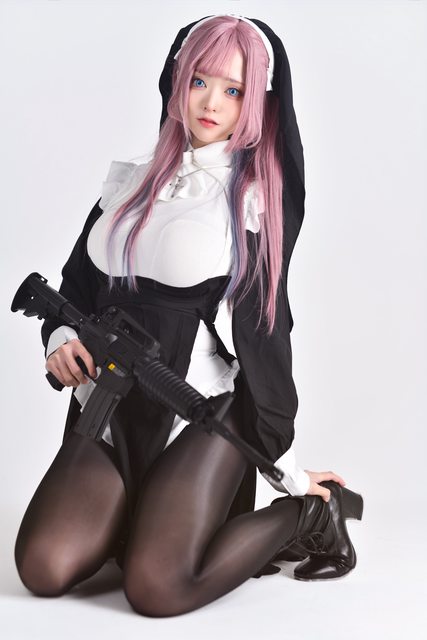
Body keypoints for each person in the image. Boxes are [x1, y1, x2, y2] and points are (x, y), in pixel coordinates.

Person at [15, 15, 363, 617]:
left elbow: (265, 338)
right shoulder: (130, 179)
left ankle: (309, 517)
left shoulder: (252, 202)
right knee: (43, 569)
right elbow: (77, 283)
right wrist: (61, 336)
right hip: (107, 402)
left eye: (234, 90)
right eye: (200, 80)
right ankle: (133, 515)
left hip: (201, 412)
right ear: (177, 80)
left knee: (158, 589)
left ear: (257, 101)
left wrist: (285, 469)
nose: (211, 103)